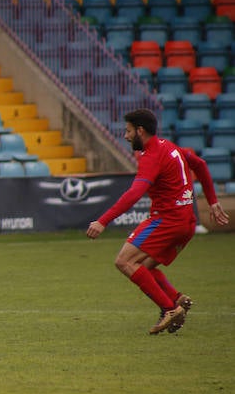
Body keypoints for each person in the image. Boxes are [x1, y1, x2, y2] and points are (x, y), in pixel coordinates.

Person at [86, 109, 229, 334]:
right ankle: (176, 299)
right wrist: (212, 201)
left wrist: (103, 221)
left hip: (167, 220)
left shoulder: (151, 155)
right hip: (187, 223)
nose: (125, 136)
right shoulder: (170, 146)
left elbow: (134, 193)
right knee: (144, 267)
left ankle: (169, 309)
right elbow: (200, 164)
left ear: (140, 131)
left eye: (128, 131)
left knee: (124, 262)